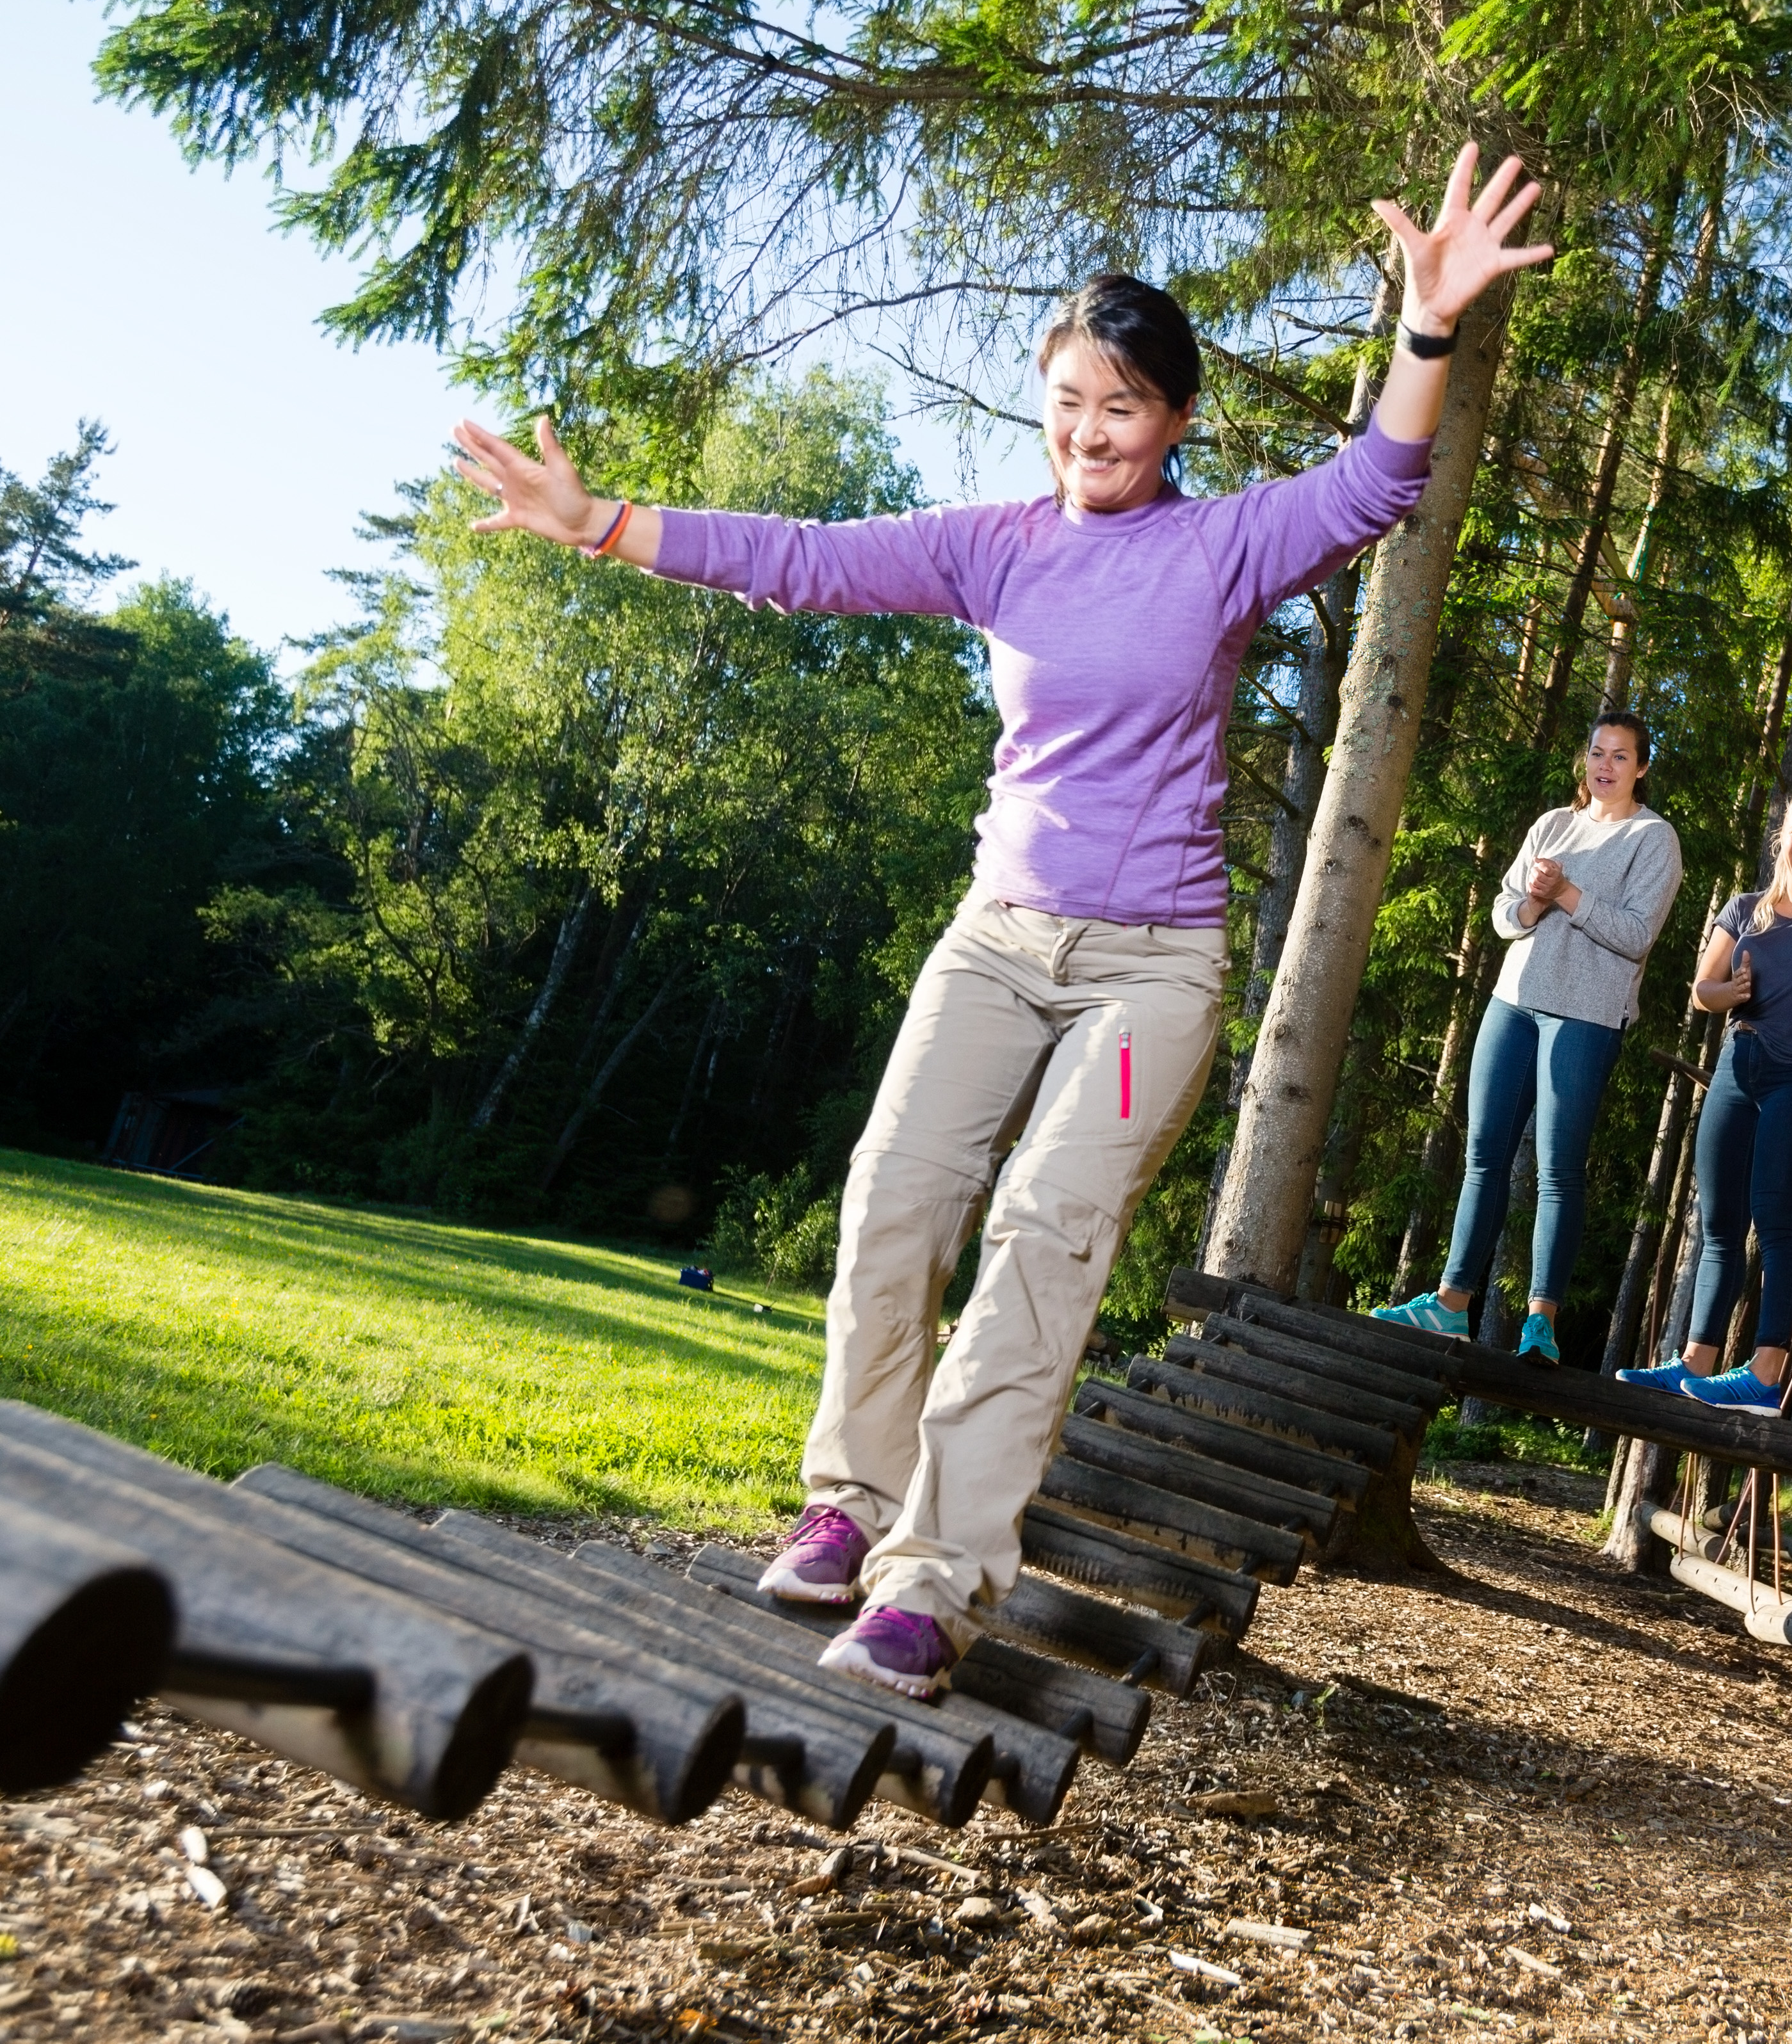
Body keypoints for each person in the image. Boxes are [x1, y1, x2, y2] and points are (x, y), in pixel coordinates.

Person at [449, 145, 1554, 1697]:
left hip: (1143, 983)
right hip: (998, 943)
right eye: (1066, 401)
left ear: (1171, 422)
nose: (1087, 431)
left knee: (1045, 1238)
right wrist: (602, 523)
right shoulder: (996, 546)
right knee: (897, 1197)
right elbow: (803, 564)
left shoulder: (1221, 544)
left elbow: (1380, 479)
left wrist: (1425, 332)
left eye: (1120, 406)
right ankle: (851, 1505)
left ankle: (936, 1581)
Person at [1376, 716, 1684, 1360]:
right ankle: (1451, 1305)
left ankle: (1540, 1323)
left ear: (1641, 768)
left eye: (1620, 757)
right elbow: (1502, 914)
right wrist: (1534, 904)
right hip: (1511, 1003)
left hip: (1585, 1015)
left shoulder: (1653, 839)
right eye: (1596, 752)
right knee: (1483, 1156)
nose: (1604, 765)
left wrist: (1568, 894)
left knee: (1556, 1170)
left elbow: (1635, 936)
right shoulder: (1551, 825)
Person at [1618, 793, 1792, 1415]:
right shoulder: (1747, 909)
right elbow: (1702, 991)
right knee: (1716, 1224)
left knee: (1774, 1222)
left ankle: (1765, 1376)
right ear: (1782, 839)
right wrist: (1732, 989)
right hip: (1736, 1070)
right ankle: (1694, 1364)